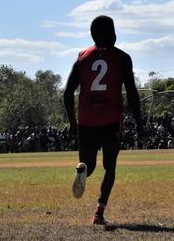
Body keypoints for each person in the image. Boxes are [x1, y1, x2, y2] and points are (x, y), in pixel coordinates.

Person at [64, 15, 144, 226]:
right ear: (113, 34)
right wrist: (139, 123)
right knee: (110, 167)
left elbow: (67, 92)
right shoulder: (122, 58)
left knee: (88, 167)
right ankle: (98, 213)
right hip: (110, 119)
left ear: (92, 35)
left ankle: (81, 168)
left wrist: (73, 123)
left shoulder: (82, 57)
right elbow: (132, 94)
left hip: (87, 121)